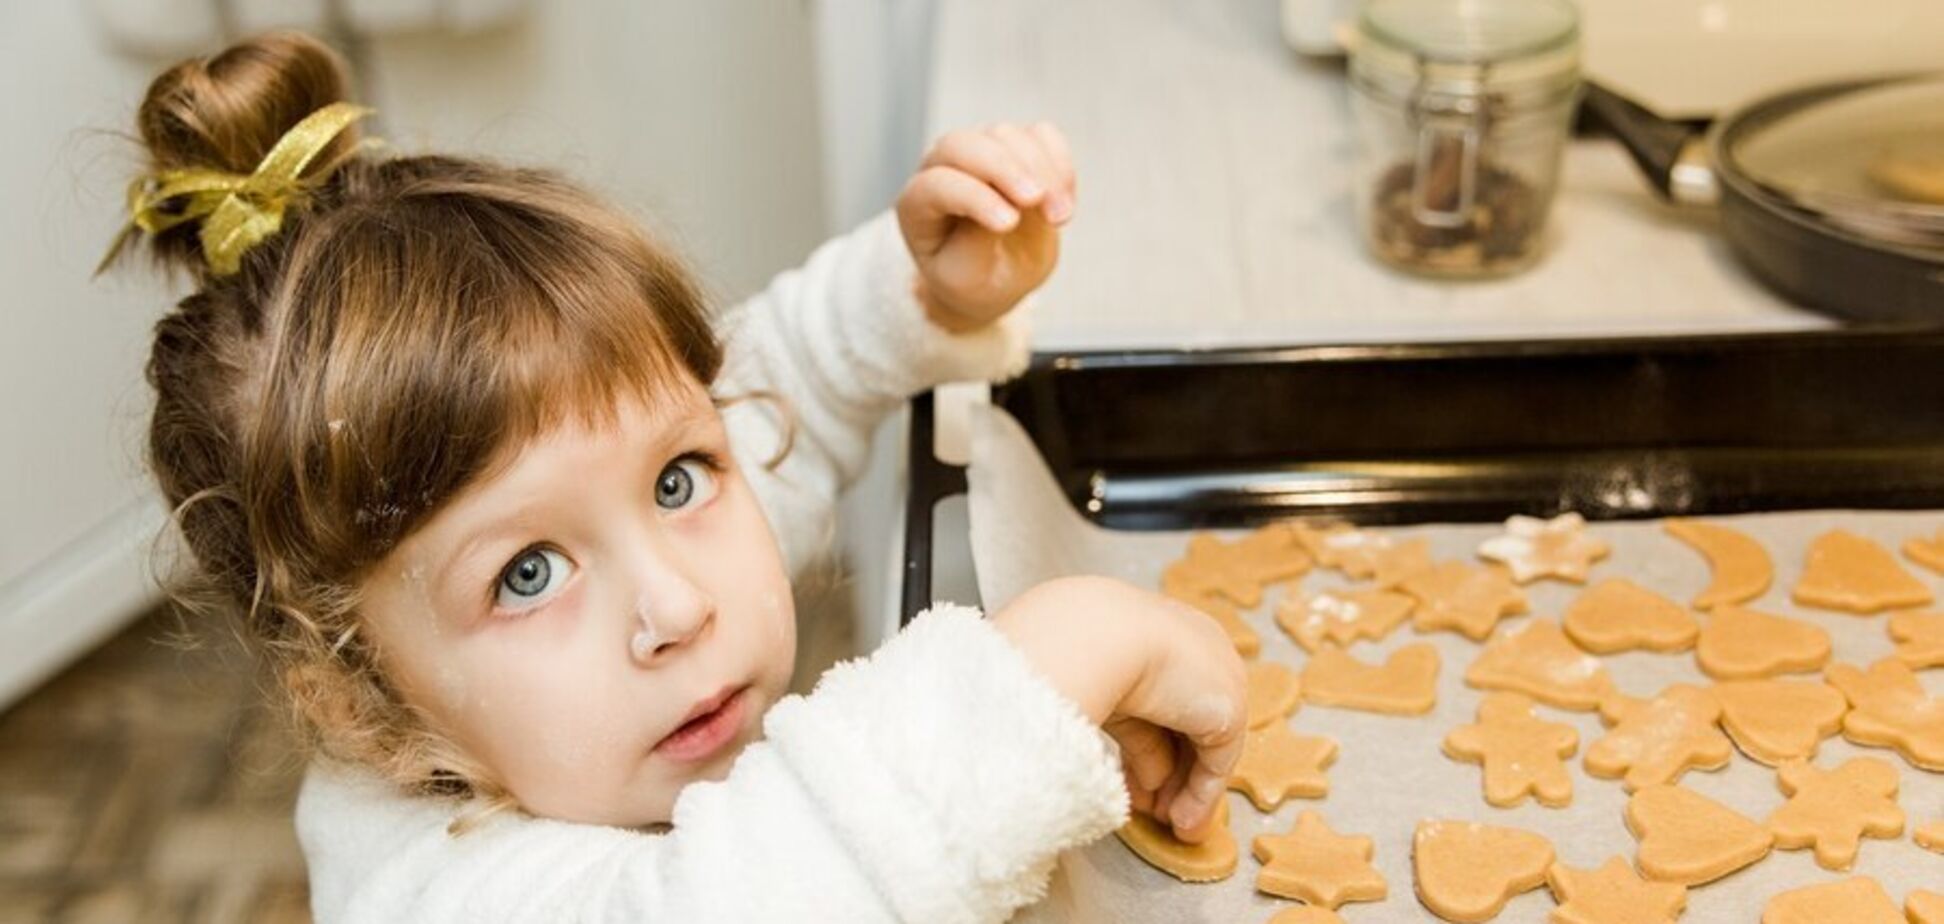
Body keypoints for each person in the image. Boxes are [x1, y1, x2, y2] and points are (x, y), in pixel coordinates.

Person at [108, 31, 1247, 922]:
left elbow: (777, 378)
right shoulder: (427, 890)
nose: (678, 606)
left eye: (674, 483)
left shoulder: (627, 618)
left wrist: (929, 295)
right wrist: (1070, 649)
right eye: (528, 574)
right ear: (358, 703)